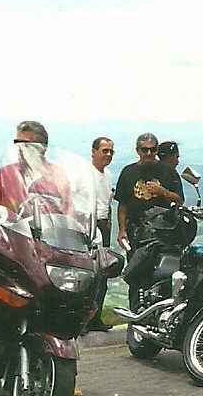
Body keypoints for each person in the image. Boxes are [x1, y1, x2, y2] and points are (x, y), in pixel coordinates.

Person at [0, 121, 74, 219]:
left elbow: (68, 212)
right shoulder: (5, 174)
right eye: (18, 144)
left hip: (49, 228)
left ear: (41, 148)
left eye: (26, 145)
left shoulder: (57, 175)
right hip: (12, 228)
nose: (20, 149)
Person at [72, 136, 116, 332]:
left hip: (102, 226)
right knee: (86, 274)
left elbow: (107, 202)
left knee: (102, 274)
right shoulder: (82, 173)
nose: (108, 155)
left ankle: (95, 318)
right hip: (84, 226)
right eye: (104, 151)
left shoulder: (108, 175)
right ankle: (80, 321)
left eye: (111, 152)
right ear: (93, 152)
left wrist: (109, 222)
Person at [115, 133, 185, 252]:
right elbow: (123, 204)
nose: (148, 153)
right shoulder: (128, 172)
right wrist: (122, 230)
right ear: (137, 151)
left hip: (164, 231)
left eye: (152, 150)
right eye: (144, 150)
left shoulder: (168, 171)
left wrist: (164, 192)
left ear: (156, 151)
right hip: (136, 230)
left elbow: (180, 200)